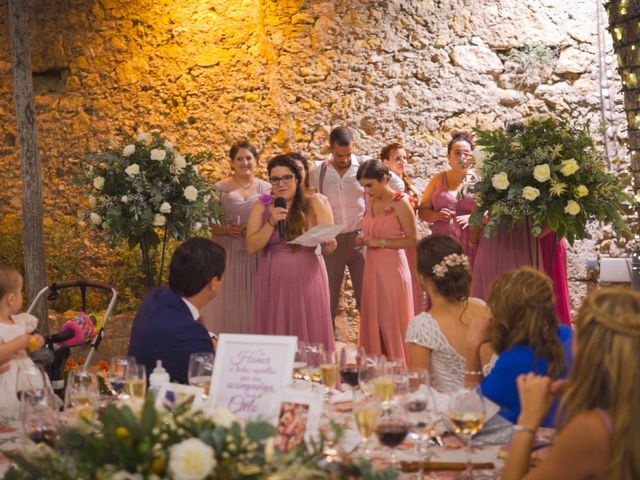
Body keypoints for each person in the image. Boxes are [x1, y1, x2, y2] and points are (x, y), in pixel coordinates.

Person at [501, 287, 640, 479]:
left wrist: (528, 421)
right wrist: (577, 391)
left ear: (587, 348)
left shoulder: (591, 429)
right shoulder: (624, 415)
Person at [247, 154, 336, 350]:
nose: (281, 183)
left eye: (286, 177)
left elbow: (329, 241)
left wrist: (330, 245)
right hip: (273, 279)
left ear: (297, 178)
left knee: (311, 332)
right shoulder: (261, 206)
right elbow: (252, 246)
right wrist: (271, 222)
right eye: (275, 179)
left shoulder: (315, 203)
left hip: (308, 277)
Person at [464, 267, 573, 426]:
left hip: (530, 443)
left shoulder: (515, 360)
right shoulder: (569, 335)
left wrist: (472, 346)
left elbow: (470, 416)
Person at [128, 237, 224, 384]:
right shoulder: (192, 336)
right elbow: (214, 384)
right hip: (166, 403)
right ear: (214, 283)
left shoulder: (154, 298)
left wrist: (210, 338)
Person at [405, 235, 493, 393]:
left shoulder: (422, 326)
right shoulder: (484, 308)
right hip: (498, 409)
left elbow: (417, 393)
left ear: (422, 277)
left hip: (455, 415)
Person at [201, 141, 271, 335]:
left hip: (256, 251)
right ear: (231, 162)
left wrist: (255, 227)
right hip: (227, 251)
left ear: (256, 161)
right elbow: (207, 222)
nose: (244, 162)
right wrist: (225, 229)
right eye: (239, 158)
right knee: (228, 298)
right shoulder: (220, 188)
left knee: (254, 298)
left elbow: (270, 216)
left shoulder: (265, 190)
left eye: (249, 158)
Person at [355, 159, 417, 361]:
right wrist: (365, 239)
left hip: (393, 269)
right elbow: (372, 231)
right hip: (372, 267)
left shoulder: (401, 203)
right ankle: (376, 366)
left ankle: (398, 366)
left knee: (391, 319)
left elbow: (411, 239)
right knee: (375, 318)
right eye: (364, 186)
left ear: (384, 179)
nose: (367, 190)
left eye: (369, 185)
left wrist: (378, 241)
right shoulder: (371, 201)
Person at [308, 126, 367, 326]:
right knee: (328, 298)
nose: (344, 159)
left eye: (348, 154)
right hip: (331, 240)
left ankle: (369, 346)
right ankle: (327, 346)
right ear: (329, 148)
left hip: (361, 238)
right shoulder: (318, 171)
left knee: (366, 298)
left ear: (354, 147)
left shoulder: (365, 165)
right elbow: (307, 198)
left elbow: (394, 185)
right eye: (339, 154)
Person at [418, 131, 477, 262]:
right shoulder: (438, 179)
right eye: (457, 153)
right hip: (442, 242)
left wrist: (475, 217)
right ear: (448, 157)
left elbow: (491, 212)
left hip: (471, 241)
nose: (462, 157)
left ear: (472, 156)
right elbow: (422, 211)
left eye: (466, 153)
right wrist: (437, 215)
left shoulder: (480, 180)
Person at [381, 142, 424, 314]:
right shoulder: (386, 186)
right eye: (397, 158)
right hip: (395, 240)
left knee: (413, 285)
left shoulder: (408, 184)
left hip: (410, 241)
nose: (402, 161)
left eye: (404, 158)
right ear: (385, 162)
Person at [0, 262, 47, 418]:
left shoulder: (20, 321)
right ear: (11, 299)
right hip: (8, 385)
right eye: (21, 292)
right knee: (12, 419)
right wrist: (18, 343)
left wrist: (32, 342)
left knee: (33, 416)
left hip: (27, 380)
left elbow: (24, 346)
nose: (23, 296)